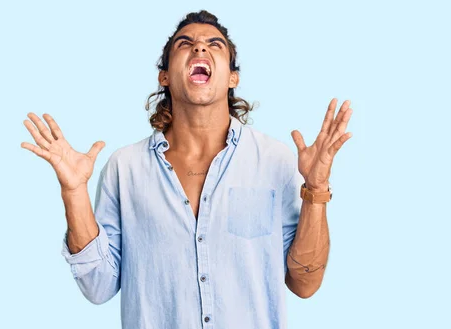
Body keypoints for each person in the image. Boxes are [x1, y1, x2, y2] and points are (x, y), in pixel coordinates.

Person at [21, 9, 352, 329]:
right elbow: (98, 287)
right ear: (164, 76)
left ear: (233, 77)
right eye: (185, 43)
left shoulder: (277, 162)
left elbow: (305, 283)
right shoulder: (125, 169)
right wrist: (73, 192)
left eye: (214, 44)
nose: (199, 46)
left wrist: (316, 189)